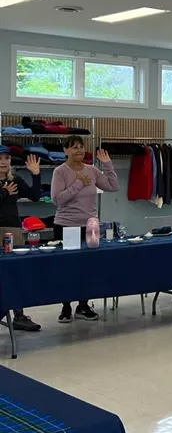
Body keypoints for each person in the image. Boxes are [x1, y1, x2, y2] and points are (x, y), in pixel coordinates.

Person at [52, 137, 118, 323]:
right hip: (66, 225)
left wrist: (107, 165)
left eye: (81, 147)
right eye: (74, 147)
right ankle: (65, 306)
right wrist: (78, 184)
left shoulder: (92, 170)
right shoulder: (60, 172)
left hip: (90, 226)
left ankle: (83, 305)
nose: (79, 150)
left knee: (87, 268)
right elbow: (57, 200)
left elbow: (113, 187)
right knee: (66, 269)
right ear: (65, 151)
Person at [0, 149, 42, 331]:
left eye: (6, 158)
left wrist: (36, 174)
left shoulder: (14, 180)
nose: (3, 162)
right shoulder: (7, 186)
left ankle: (19, 315)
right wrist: (3, 193)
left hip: (12, 229)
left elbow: (35, 196)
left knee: (16, 272)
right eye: (0, 158)